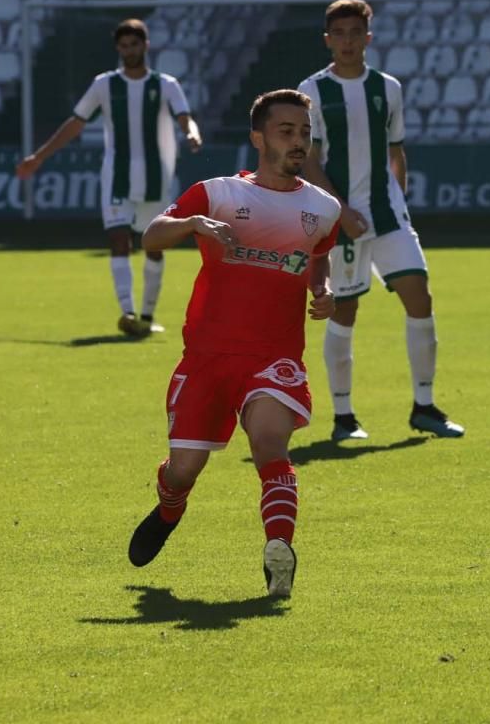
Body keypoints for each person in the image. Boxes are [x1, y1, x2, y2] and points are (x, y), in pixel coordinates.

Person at [126, 89, 341, 598]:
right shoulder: (217, 193)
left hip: (274, 358)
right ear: (258, 137)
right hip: (207, 358)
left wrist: (322, 288)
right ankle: (169, 507)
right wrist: (191, 223)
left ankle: (279, 555)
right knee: (182, 470)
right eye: (286, 132)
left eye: (305, 134)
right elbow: (152, 236)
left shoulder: (323, 208)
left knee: (270, 444)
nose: (298, 142)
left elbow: (319, 256)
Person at [297, 0, 463, 442]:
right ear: (328, 40)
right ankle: (344, 416)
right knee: (345, 310)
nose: (348, 41)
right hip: (341, 218)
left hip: (388, 216)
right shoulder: (312, 90)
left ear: (368, 37)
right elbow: (308, 160)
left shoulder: (388, 87)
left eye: (356, 33)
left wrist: (398, 199)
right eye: (340, 34)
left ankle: (424, 406)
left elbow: (396, 150)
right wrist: (339, 209)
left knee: (420, 298)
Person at [16, 18, 202, 336]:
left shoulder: (166, 84)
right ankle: (127, 311)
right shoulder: (105, 84)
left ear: (145, 46)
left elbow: (185, 117)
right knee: (118, 239)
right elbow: (75, 123)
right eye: (123, 46)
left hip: (156, 176)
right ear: (118, 49)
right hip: (117, 175)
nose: (129, 51)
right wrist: (39, 157)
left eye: (134, 44)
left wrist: (192, 134)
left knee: (153, 246)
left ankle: (146, 314)